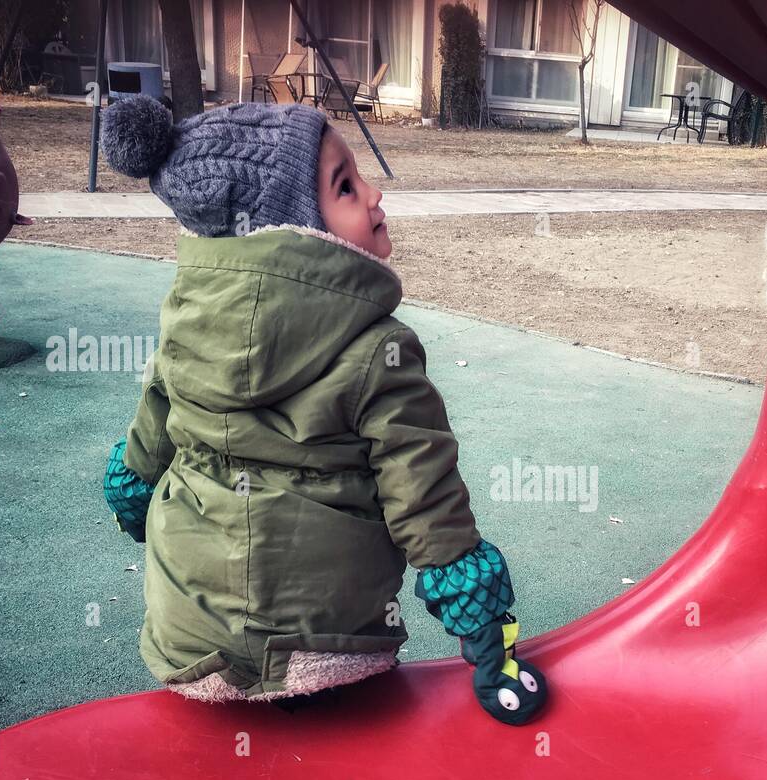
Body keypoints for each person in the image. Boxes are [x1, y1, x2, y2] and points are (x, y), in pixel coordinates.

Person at [98, 94, 547, 725]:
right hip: (331, 644)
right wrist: (486, 635)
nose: (373, 196)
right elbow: (422, 494)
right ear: (296, 231)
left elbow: (144, 451)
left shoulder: (184, 324)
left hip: (189, 643)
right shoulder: (378, 349)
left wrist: (133, 496)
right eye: (344, 186)